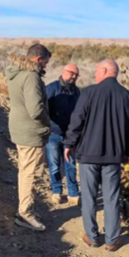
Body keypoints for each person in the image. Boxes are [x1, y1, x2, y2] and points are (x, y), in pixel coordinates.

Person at [64, 59, 129, 252]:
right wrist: (128, 152)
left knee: (89, 196)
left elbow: (76, 120)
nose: (95, 75)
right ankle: (113, 239)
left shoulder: (88, 92)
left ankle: (92, 236)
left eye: (97, 71)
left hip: (88, 155)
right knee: (112, 197)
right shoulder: (127, 96)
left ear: (104, 70)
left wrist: (69, 144)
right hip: (113, 157)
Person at [5, 43, 52, 232]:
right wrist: (48, 122)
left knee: (25, 171)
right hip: (31, 131)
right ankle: (25, 213)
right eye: (46, 63)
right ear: (38, 59)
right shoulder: (31, 76)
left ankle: (25, 209)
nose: (46, 67)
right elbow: (36, 110)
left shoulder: (16, 73)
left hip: (20, 128)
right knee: (30, 174)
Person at [45, 64, 81, 205]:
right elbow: (42, 109)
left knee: (70, 164)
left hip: (70, 136)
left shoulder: (77, 92)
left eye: (76, 75)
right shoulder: (51, 89)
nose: (73, 77)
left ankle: (73, 193)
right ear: (63, 71)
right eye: (71, 73)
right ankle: (57, 192)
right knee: (54, 164)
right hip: (53, 134)